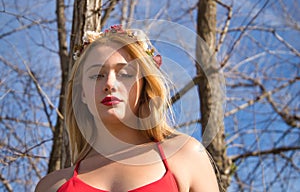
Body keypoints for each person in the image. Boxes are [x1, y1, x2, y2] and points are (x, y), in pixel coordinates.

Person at [35, 25, 220, 192]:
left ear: (144, 86)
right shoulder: (52, 185)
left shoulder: (185, 156)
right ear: (82, 93)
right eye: (96, 75)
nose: (109, 84)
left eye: (124, 74)